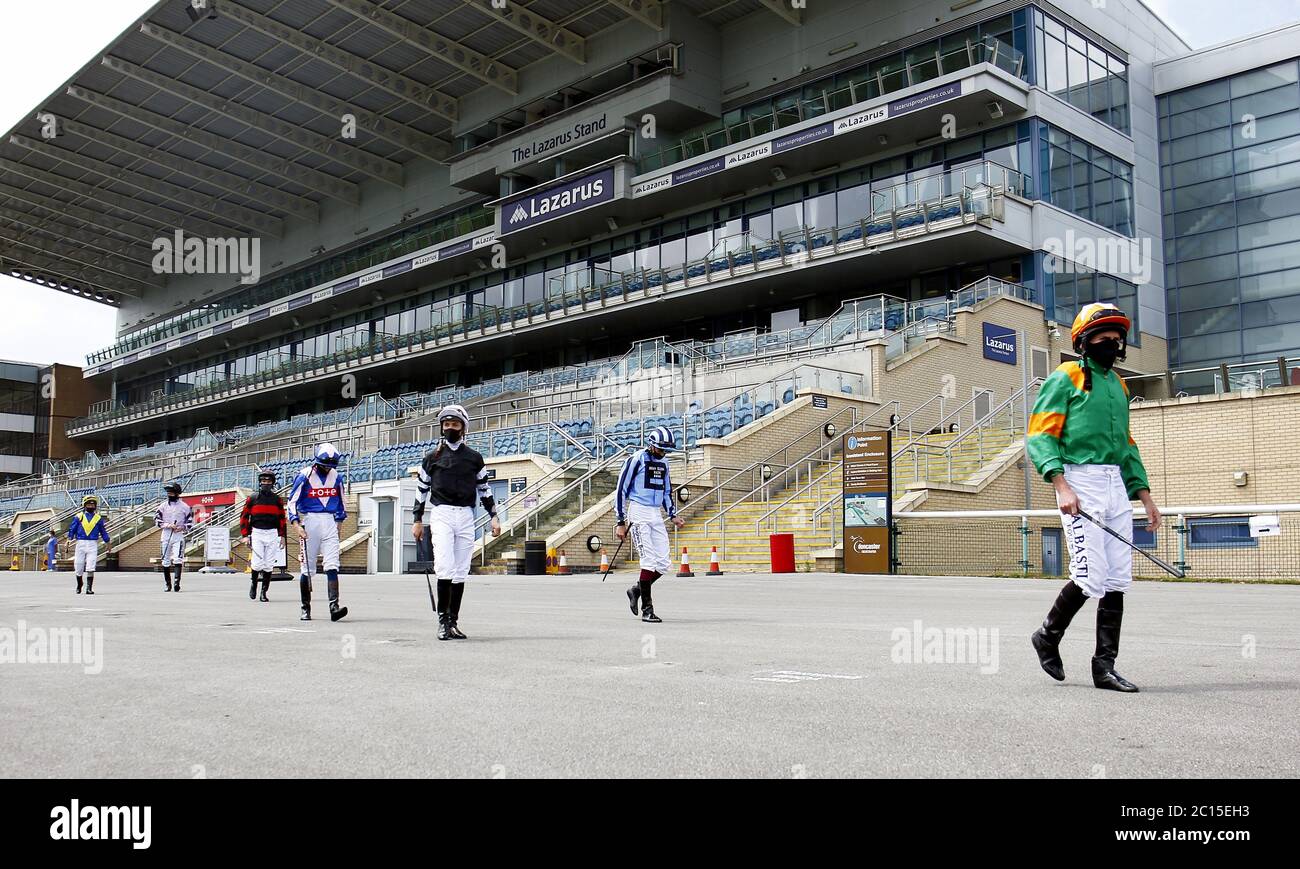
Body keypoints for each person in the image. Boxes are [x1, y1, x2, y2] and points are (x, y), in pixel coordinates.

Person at [1027, 303, 1161, 693]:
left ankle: (1105, 667)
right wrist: (1060, 484)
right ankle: (1047, 636)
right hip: (1078, 480)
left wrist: (1145, 496)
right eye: (1103, 337)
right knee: (1089, 577)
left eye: (1117, 337)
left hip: (1115, 484)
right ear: (1085, 341)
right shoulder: (1066, 377)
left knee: (1118, 579)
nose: (1112, 342)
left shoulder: (1118, 385)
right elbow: (1040, 435)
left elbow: (1127, 444)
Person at [411, 404, 500, 641]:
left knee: (461, 570)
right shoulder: (432, 458)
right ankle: (442, 622)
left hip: (466, 515)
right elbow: (421, 491)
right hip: (442, 514)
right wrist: (417, 520)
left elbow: (485, 489)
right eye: (446, 424)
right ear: (442, 427)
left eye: (455, 424)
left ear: (463, 428)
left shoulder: (474, 458)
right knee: (445, 567)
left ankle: (453, 622)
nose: (450, 428)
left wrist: (494, 516)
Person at [615, 426, 685, 623]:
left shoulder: (664, 462)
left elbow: (666, 491)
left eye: (666, 451)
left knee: (663, 564)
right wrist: (620, 521)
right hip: (638, 511)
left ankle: (635, 590)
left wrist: (673, 515)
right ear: (651, 445)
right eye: (661, 449)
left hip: (655, 513)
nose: (663, 453)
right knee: (648, 560)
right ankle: (647, 609)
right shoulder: (636, 459)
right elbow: (621, 490)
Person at [287, 443, 348, 621]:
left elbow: (342, 503)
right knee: (307, 567)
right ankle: (305, 608)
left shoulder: (337, 476)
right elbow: (291, 502)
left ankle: (334, 607)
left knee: (332, 565)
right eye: (325, 466)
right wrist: (296, 525)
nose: (327, 469)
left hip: (330, 521)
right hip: (310, 521)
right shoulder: (304, 475)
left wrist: (339, 524)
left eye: (331, 466)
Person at [241, 470, 286, 603]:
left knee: (269, 564)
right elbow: (244, 517)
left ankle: (264, 592)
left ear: (272, 483)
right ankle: (254, 585)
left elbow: (282, 519)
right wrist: (245, 535)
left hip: (272, 533)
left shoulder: (277, 500)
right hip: (257, 532)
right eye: (263, 482)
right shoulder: (252, 498)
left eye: (268, 482)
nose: (266, 484)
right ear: (260, 483)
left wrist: (282, 536)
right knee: (257, 562)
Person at [67, 494, 110, 594]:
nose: (91, 506)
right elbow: (72, 529)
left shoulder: (98, 518)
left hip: (92, 544)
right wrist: (69, 539)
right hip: (80, 543)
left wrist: (108, 542)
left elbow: (103, 531)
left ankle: (89, 588)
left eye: (93, 505)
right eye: (89, 504)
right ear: (84, 505)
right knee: (78, 565)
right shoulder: (79, 517)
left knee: (91, 565)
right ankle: (79, 584)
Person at [155, 481, 194, 592]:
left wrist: (183, 527)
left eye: (171, 493)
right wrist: (168, 525)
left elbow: (190, 523)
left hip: (178, 535)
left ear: (177, 494)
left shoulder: (185, 507)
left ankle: (177, 582)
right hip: (166, 534)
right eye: (168, 493)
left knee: (178, 558)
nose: (169, 495)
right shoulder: (162, 506)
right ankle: (168, 584)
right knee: (165, 560)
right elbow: (157, 520)